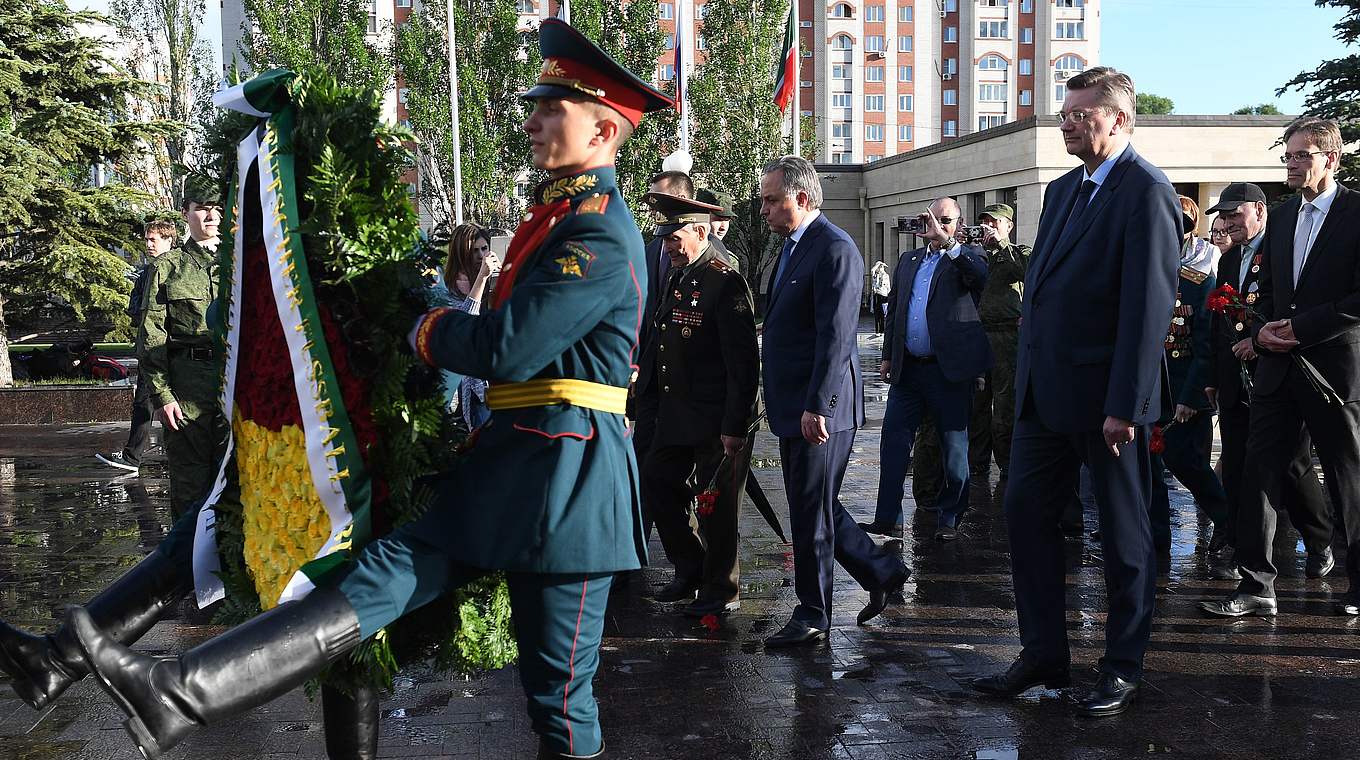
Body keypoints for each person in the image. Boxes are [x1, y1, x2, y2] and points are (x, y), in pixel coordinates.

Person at [66, 20, 672, 760]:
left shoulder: (601, 231)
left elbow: (506, 349)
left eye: (554, 109)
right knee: (383, 573)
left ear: (605, 130)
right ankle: (182, 690)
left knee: (558, 697)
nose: (534, 119)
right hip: (513, 460)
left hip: (570, 482)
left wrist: (423, 326)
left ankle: (179, 691)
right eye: (536, 104)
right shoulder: (558, 218)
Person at [969, 67, 1180, 717]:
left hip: (1108, 402)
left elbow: (1148, 309)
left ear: (1118, 120)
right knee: (1025, 516)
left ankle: (1121, 666)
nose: (1065, 122)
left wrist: (1128, 404)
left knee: (1122, 536)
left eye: (1079, 114)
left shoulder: (1146, 193)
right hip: (1043, 395)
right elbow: (1042, 295)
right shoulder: (1063, 191)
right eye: (1064, 113)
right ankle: (1042, 654)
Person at [1201, 117, 1359, 619]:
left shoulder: (1357, 211)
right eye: (1287, 155)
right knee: (1260, 470)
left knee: (1345, 476)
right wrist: (1263, 329)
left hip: (1335, 369)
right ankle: (1256, 584)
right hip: (1277, 367)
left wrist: (1303, 328)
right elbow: (1269, 291)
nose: (1291, 164)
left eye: (1301, 156)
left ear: (1330, 159)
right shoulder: (1285, 217)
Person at [758, 155, 909, 645]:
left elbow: (838, 335)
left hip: (821, 409)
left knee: (811, 510)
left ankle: (813, 612)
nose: (763, 210)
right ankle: (880, 571)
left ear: (800, 199)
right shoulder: (792, 246)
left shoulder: (834, 249)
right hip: (795, 403)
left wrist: (819, 404)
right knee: (816, 504)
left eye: (770, 200)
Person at [637, 192, 759, 616]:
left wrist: (735, 424)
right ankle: (690, 568)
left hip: (715, 416)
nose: (669, 246)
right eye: (665, 238)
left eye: (676, 237)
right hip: (677, 412)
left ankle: (722, 589)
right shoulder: (679, 275)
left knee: (718, 508)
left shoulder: (725, 280)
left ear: (701, 231)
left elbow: (744, 364)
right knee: (656, 480)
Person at [1202, 182, 1332, 581]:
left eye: (1234, 214)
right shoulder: (1228, 260)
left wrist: (1258, 343)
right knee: (1240, 462)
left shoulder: (1280, 249)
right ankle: (1243, 552)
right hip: (1234, 379)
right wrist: (1212, 377)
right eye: (1222, 216)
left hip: (1276, 372)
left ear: (1259, 210)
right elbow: (1217, 323)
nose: (1227, 223)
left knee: (1292, 464)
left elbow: (1284, 309)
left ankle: (1319, 540)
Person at [862, 197, 990, 542]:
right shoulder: (908, 260)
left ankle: (949, 518)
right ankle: (888, 517)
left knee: (954, 450)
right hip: (909, 371)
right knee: (893, 444)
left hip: (947, 372)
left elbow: (980, 277)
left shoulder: (969, 256)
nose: (936, 225)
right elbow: (896, 313)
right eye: (931, 218)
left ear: (958, 225)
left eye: (945, 220)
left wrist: (948, 242)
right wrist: (889, 355)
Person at [138, 175, 227, 521]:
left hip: (235, 386)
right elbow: (152, 334)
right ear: (185, 213)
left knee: (236, 483)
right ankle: (189, 572)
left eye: (217, 209)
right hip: (187, 391)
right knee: (191, 490)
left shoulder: (241, 265)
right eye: (202, 209)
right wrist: (163, 396)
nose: (211, 217)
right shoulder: (168, 267)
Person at [1147, 196, 1229, 556]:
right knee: (1147, 469)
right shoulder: (1144, 271)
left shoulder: (1199, 280)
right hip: (1149, 391)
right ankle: (1154, 537)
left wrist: (1191, 397)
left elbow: (1206, 344)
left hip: (1184, 392)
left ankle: (1229, 523)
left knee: (1187, 464)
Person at [97, 217, 180, 474]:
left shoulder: (178, 268)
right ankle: (134, 457)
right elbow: (135, 310)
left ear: (169, 240)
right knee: (144, 402)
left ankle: (136, 458)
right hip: (151, 349)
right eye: (146, 239)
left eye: (153, 239)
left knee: (154, 402)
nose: (148, 244)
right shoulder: (147, 273)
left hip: (172, 348)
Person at [969, 203, 1031, 480]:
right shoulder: (973, 255)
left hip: (1008, 337)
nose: (989, 227)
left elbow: (1025, 272)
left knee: (1005, 405)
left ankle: (1008, 465)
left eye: (994, 222)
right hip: (978, 334)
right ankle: (976, 463)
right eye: (985, 223)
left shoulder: (1019, 252)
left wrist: (1001, 246)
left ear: (1009, 226)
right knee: (976, 404)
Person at [442, 223, 501, 430]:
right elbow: (465, 324)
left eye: (484, 249)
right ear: (461, 253)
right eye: (474, 251)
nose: (480, 255)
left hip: (499, 379)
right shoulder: (449, 287)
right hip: (476, 388)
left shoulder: (490, 279)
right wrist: (482, 279)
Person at [870, 260, 891, 334]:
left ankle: (882, 330)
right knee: (877, 313)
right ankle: (877, 331)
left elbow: (888, 287)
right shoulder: (875, 275)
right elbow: (872, 270)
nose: (881, 268)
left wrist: (889, 296)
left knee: (883, 313)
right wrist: (878, 264)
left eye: (882, 267)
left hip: (884, 295)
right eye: (880, 267)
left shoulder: (886, 275)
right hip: (877, 294)